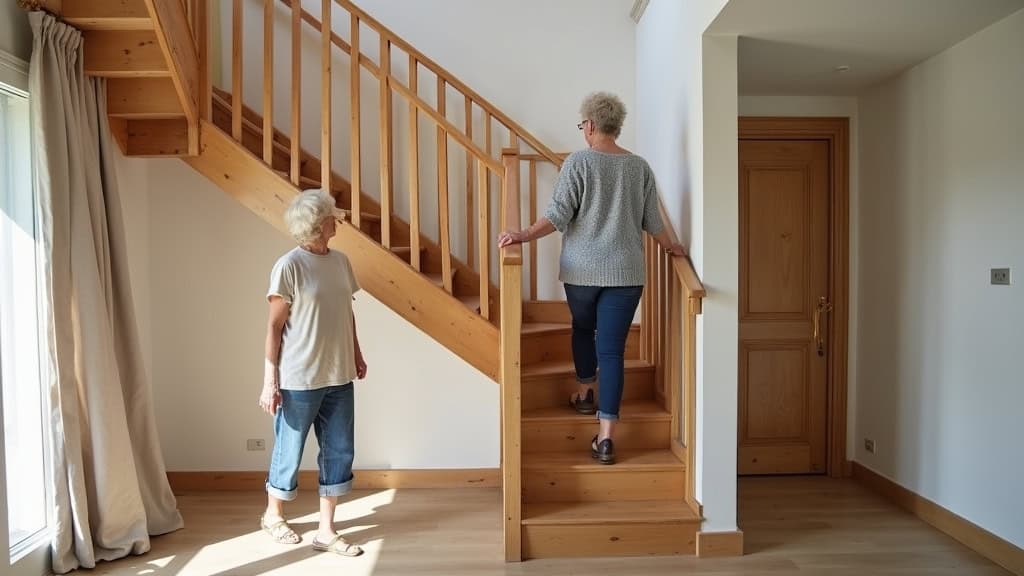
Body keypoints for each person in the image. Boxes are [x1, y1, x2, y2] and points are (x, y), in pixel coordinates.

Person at [498, 92, 685, 465]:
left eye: (583, 124)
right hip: (627, 273)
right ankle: (605, 437)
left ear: (591, 126)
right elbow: (653, 222)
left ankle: (585, 393)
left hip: (582, 273)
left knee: (583, 330)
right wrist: (673, 247)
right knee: (613, 352)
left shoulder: (578, 163)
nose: (583, 130)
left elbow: (557, 216)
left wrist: (521, 235)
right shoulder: (640, 167)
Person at [258, 189, 366, 556]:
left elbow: (345, 312)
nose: (338, 220)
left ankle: (326, 531)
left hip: (339, 374)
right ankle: (273, 516)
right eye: (333, 216)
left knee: (339, 451)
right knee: (290, 449)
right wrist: (269, 380)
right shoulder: (288, 265)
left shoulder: (341, 262)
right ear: (319, 224)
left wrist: (357, 353)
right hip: (299, 377)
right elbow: (274, 327)